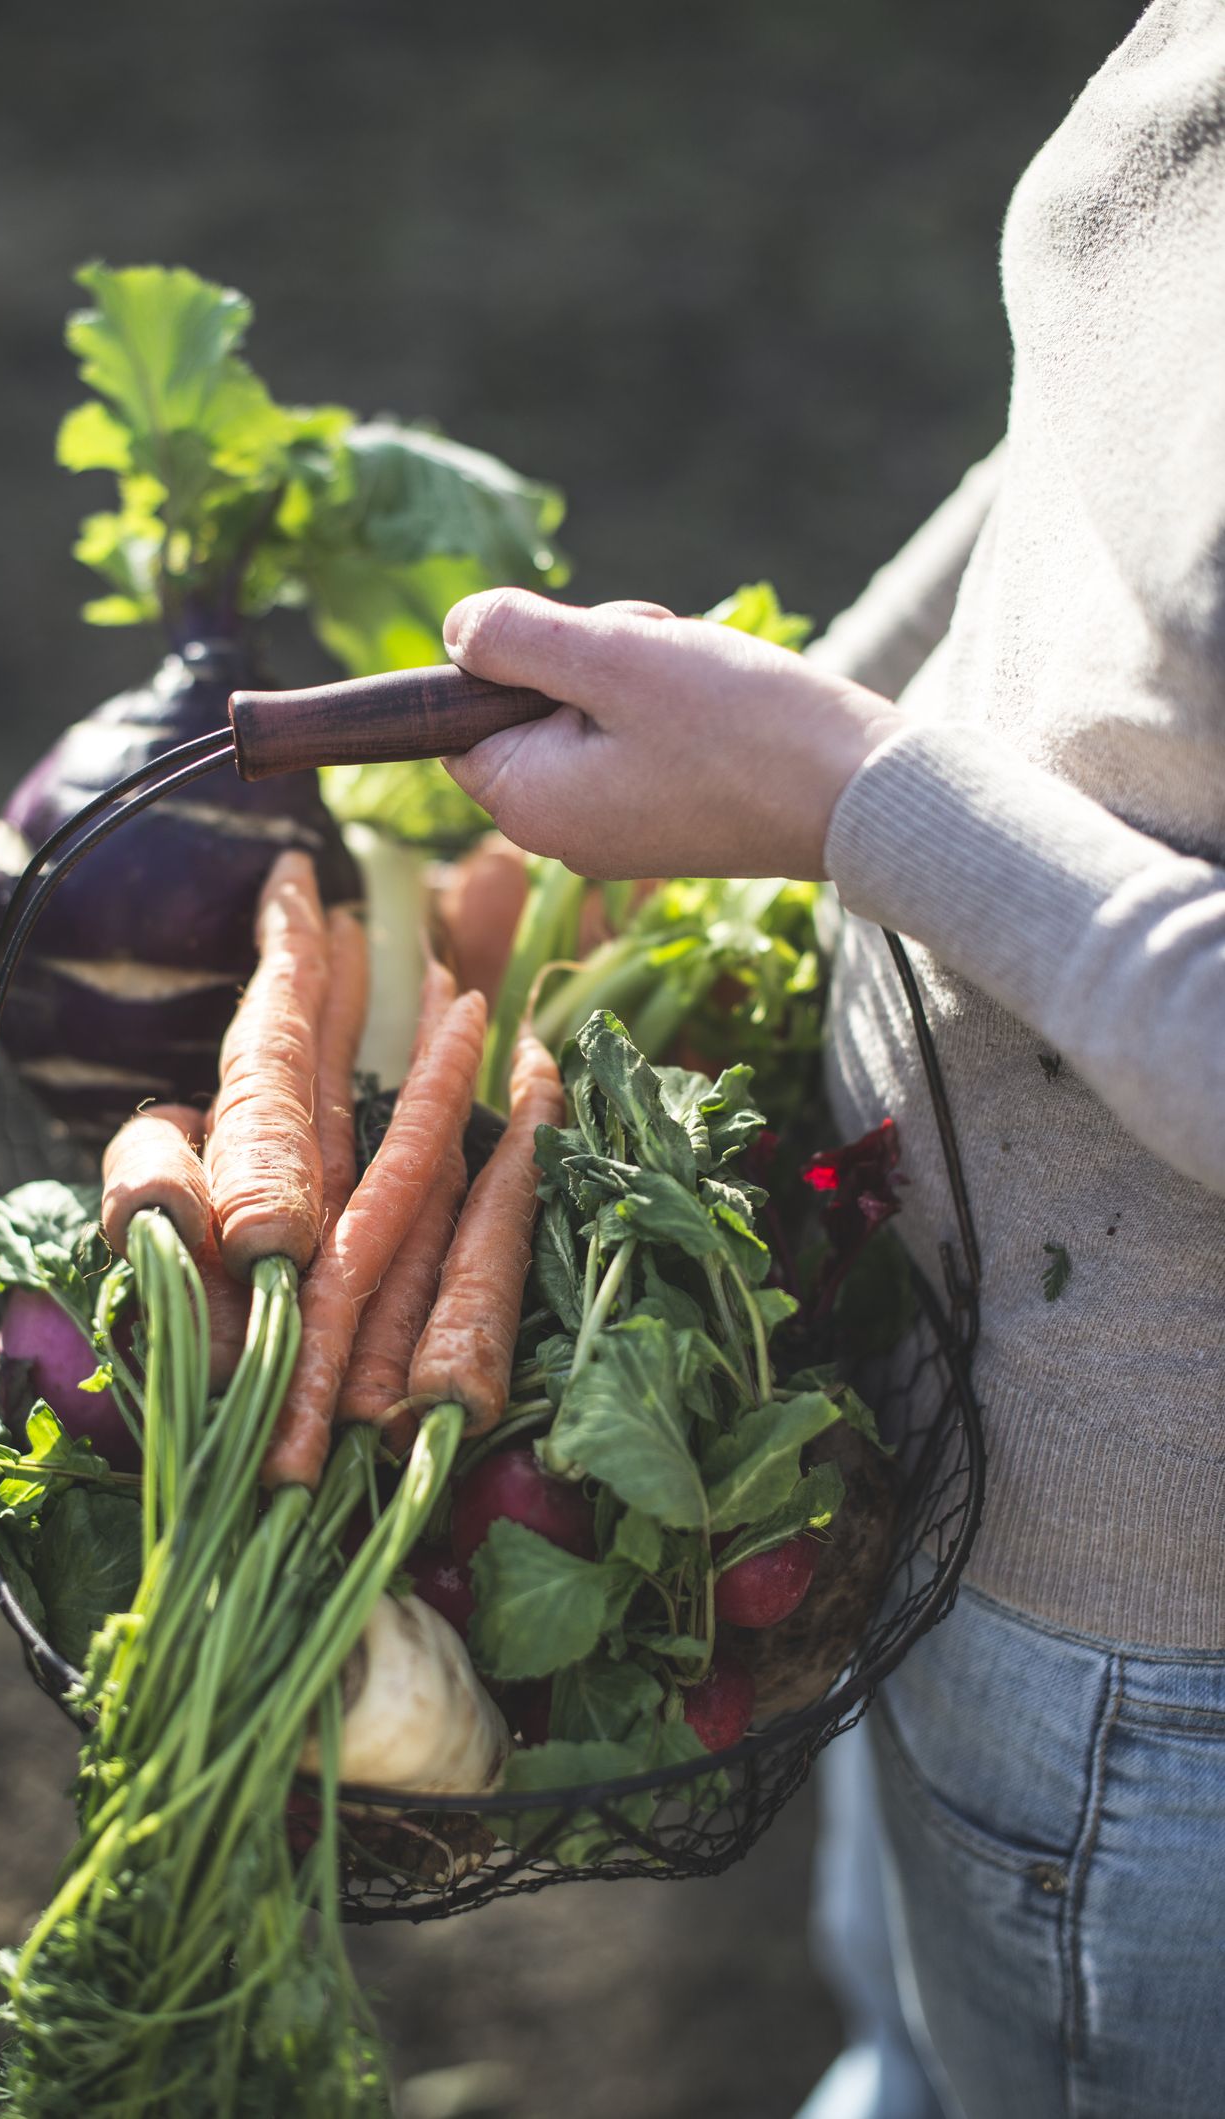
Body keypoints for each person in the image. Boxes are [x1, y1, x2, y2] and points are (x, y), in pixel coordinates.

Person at [438, 4, 1225, 2112]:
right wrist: (794, 713)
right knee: (906, 2014)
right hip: (944, 1389)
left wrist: (841, 792)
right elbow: (1089, 469)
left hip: (1148, 1613)